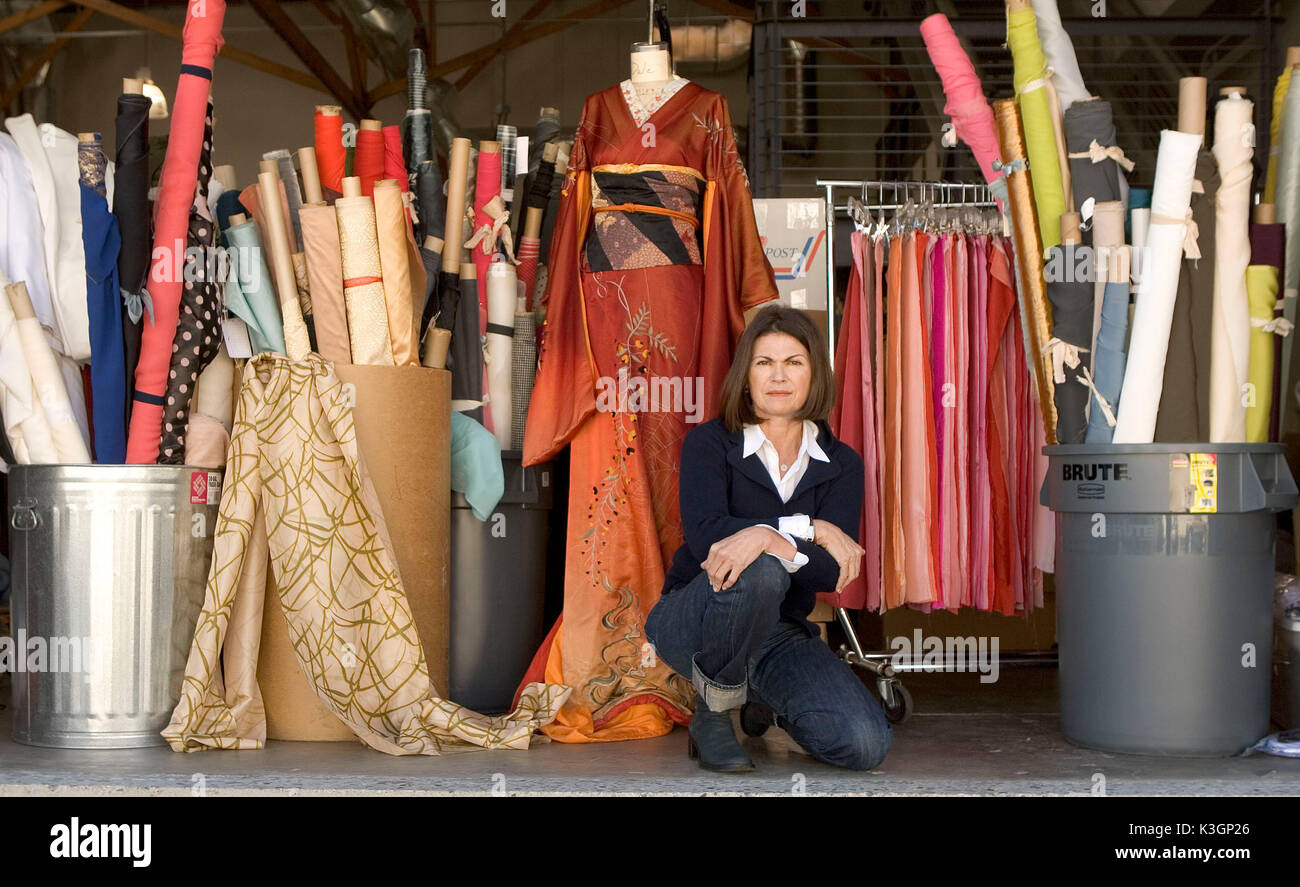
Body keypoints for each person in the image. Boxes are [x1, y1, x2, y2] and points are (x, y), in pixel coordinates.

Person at [645, 305, 892, 772]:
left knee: (863, 744)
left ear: (815, 374)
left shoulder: (842, 463)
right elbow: (706, 540)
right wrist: (803, 529)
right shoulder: (710, 444)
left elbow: (832, 570)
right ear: (745, 375)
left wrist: (773, 538)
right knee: (759, 567)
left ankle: (762, 701)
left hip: (777, 632)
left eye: (794, 362)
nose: (779, 376)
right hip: (695, 617)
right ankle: (713, 714)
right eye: (765, 363)